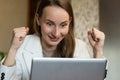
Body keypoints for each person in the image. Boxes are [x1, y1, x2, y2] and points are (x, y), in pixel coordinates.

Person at [0, 0, 105, 80]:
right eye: (49, 24)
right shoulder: (24, 44)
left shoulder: (79, 47)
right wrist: (13, 49)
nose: (56, 33)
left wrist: (98, 51)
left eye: (63, 25)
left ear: (70, 22)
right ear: (38, 19)